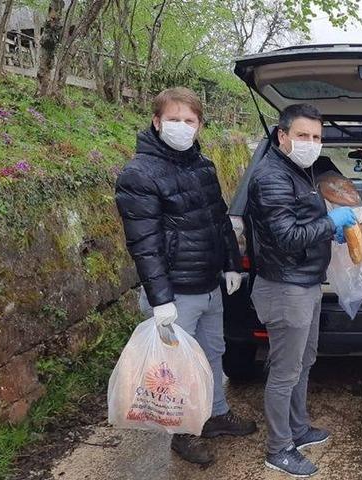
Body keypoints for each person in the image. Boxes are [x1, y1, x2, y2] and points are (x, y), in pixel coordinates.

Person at [114, 87, 257, 465]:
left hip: (209, 285)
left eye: (189, 120)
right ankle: (182, 433)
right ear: (157, 122)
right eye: (174, 119)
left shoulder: (204, 166)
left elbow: (219, 221)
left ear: (199, 125)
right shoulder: (138, 174)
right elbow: (144, 245)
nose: (181, 126)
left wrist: (231, 264)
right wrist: (161, 301)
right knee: (175, 370)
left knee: (214, 354)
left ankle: (216, 414)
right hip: (175, 293)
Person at [246, 103, 358, 478]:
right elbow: (288, 237)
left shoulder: (302, 172)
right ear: (283, 136)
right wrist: (331, 222)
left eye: (316, 137)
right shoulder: (271, 177)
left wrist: (330, 226)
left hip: (307, 282)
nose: (311, 143)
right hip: (284, 287)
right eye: (303, 135)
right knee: (283, 371)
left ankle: (298, 427)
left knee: (304, 361)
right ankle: (279, 448)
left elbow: (305, 222)